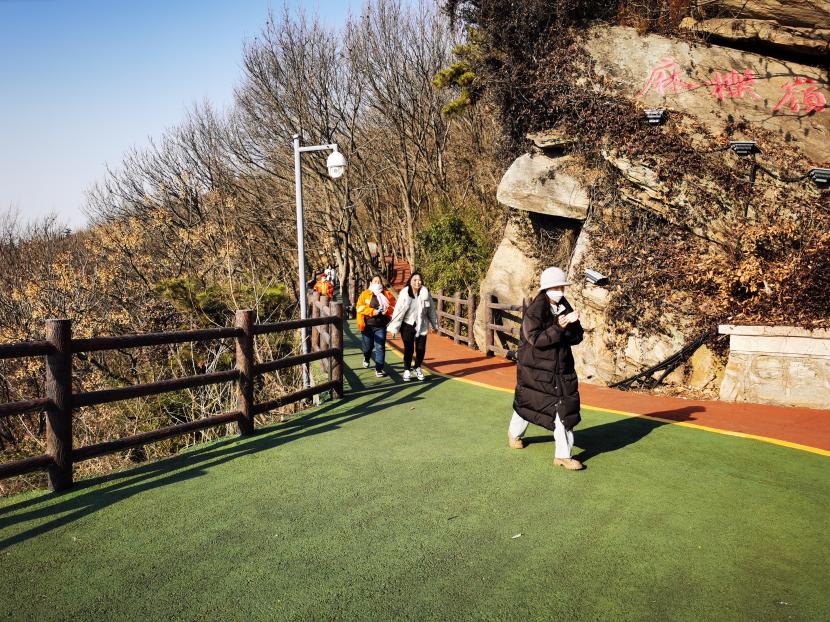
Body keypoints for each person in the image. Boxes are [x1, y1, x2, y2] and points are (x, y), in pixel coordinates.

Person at [508, 266, 585, 471]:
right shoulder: (535, 310)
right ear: (547, 288)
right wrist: (559, 327)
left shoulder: (563, 305)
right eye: (557, 287)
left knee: (563, 409)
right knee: (528, 403)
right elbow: (536, 339)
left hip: (561, 368)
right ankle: (514, 434)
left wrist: (573, 324)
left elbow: (576, 338)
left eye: (562, 287)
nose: (560, 291)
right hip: (536, 368)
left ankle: (563, 456)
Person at [387, 272, 438, 381]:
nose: (417, 282)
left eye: (419, 280)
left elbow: (431, 311)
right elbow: (398, 311)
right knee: (409, 349)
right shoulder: (404, 293)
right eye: (415, 280)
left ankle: (417, 367)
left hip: (422, 325)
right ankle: (407, 370)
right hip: (407, 324)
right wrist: (394, 328)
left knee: (421, 349)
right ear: (410, 281)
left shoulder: (425, 294)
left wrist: (435, 325)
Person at [356, 275, 396, 377]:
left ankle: (379, 369)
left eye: (379, 281)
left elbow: (393, 307)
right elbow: (359, 308)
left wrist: (387, 310)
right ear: (371, 283)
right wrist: (373, 311)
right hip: (367, 325)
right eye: (375, 281)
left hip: (381, 326)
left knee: (380, 347)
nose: (377, 283)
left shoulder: (387, 294)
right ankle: (366, 358)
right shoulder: (365, 294)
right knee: (367, 347)